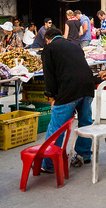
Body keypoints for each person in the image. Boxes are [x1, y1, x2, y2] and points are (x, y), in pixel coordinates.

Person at [40, 27, 95, 171]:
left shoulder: (49, 48)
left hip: (69, 89)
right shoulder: (75, 46)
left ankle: (49, 163)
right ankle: (85, 154)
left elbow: (49, 75)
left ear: (47, 38)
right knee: (85, 122)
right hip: (87, 87)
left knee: (57, 127)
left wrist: (52, 97)